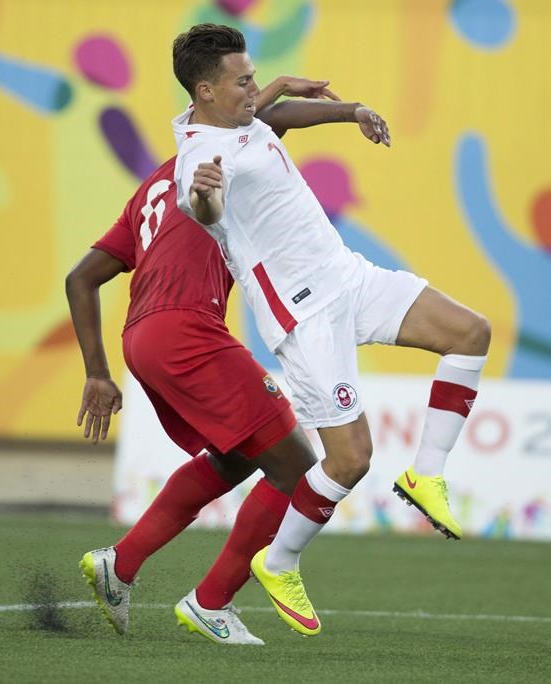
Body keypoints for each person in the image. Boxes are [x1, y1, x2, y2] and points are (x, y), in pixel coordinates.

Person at [170, 23, 491, 636]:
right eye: (244, 82)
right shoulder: (199, 156)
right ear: (207, 90)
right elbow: (201, 202)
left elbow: (274, 111)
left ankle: (427, 472)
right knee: (349, 460)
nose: (254, 89)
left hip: (348, 277)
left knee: (469, 332)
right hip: (304, 313)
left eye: (255, 77)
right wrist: (206, 199)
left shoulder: (234, 117)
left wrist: (351, 111)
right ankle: (280, 561)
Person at [67, 75, 391, 645]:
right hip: (189, 328)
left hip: (143, 337)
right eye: (239, 89)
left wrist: (97, 370)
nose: (249, 103)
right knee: (298, 470)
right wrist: (349, 109)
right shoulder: (221, 163)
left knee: (235, 457)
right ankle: (212, 600)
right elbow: (272, 115)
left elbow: (81, 278)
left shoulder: (153, 186)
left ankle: (121, 564)